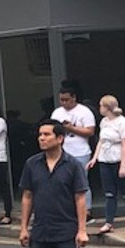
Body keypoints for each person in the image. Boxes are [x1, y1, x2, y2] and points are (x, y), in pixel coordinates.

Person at [19, 120, 89, 248]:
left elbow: (80, 198)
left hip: (66, 230)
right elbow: (27, 196)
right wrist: (23, 227)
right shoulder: (32, 164)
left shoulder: (73, 165)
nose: (42, 138)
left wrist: (82, 229)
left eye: (47, 134)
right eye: (40, 134)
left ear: (60, 138)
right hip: (40, 231)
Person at [86, 95, 125, 236]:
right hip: (105, 160)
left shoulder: (123, 123)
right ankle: (109, 222)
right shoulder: (104, 122)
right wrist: (95, 158)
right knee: (109, 193)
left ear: (107, 107)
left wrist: (122, 166)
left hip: (119, 159)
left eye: (101, 106)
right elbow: (101, 141)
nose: (100, 109)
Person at [51, 81, 96, 221]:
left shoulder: (84, 111)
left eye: (67, 100)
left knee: (82, 182)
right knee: (62, 182)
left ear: (74, 98)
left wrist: (71, 128)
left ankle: (86, 211)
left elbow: (90, 131)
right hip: (61, 152)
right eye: (61, 100)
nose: (64, 103)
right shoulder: (57, 113)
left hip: (80, 152)